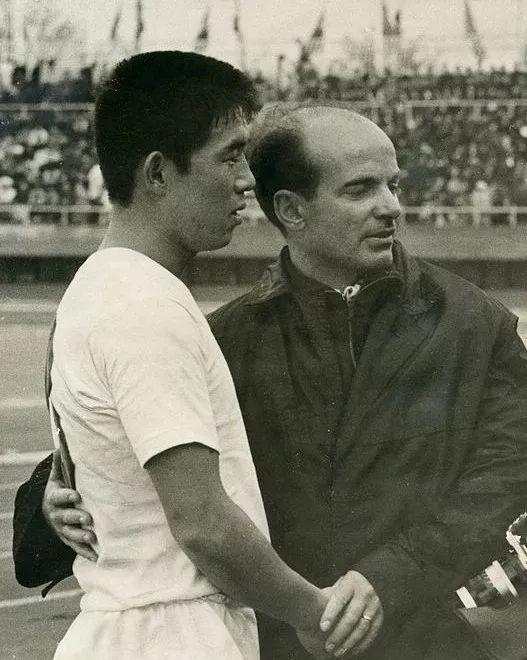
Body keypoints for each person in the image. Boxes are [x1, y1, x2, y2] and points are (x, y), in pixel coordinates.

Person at [14, 101, 527, 659]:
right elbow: (99, 456)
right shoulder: (222, 339)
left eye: (393, 185)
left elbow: (507, 477)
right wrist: (49, 507)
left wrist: (391, 577)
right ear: (291, 209)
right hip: (276, 644)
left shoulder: (476, 324)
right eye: (361, 190)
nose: (391, 207)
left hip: (428, 641)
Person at [14, 57, 370, 660]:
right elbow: (204, 525)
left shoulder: (102, 287)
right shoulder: (143, 303)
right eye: (229, 157)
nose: (247, 181)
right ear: (158, 173)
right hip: (171, 632)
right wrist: (313, 612)